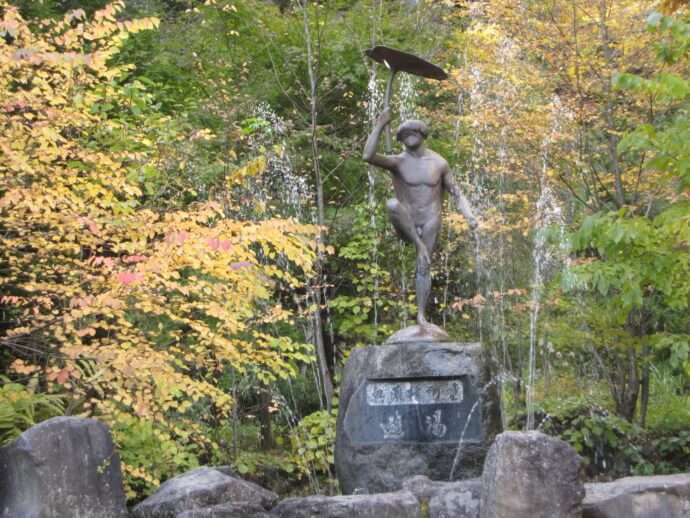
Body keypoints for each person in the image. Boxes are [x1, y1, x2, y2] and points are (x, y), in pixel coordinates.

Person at [363, 107, 478, 329]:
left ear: (423, 135)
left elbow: (457, 194)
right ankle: (419, 245)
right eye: (404, 134)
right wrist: (379, 125)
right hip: (405, 220)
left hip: (430, 219)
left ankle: (421, 318)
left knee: (423, 265)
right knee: (391, 203)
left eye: (413, 132)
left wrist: (469, 215)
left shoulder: (439, 163)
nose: (409, 136)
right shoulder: (397, 161)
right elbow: (368, 156)